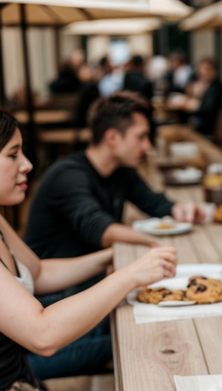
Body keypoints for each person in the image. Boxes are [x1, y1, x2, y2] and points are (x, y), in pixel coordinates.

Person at [0, 108, 177, 391]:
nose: (27, 165)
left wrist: (112, 257)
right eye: (12, 155)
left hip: (20, 382)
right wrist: (129, 275)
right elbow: (43, 335)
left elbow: (39, 273)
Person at [24, 91, 204, 267]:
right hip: (55, 291)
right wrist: (154, 243)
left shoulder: (121, 170)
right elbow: (101, 230)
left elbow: (153, 202)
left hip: (90, 278)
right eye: (141, 136)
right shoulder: (68, 176)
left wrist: (178, 209)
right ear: (112, 137)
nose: (147, 146)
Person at [187, 58, 222, 136]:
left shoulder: (216, 88)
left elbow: (207, 109)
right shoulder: (207, 85)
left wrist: (192, 106)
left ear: (214, 71)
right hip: (201, 124)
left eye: (206, 69)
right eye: (200, 68)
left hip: (209, 128)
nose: (201, 72)